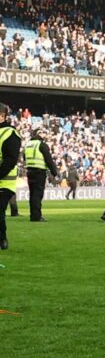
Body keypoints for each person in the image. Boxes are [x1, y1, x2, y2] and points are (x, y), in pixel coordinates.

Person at [23, 128, 58, 222]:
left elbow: (24, 157)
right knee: (38, 195)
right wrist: (55, 173)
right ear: (39, 134)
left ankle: (33, 215)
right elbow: (49, 160)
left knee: (32, 194)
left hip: (30, 171)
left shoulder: (28, 144)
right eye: (43, 133)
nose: (44, 135)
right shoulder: (42, 145)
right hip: (39, 172)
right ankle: (37, 216)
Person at [0, 102, 21, 250]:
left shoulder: (10, 133)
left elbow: (11, 159)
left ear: (2, 116)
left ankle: (2, 238)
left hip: (4, 181)